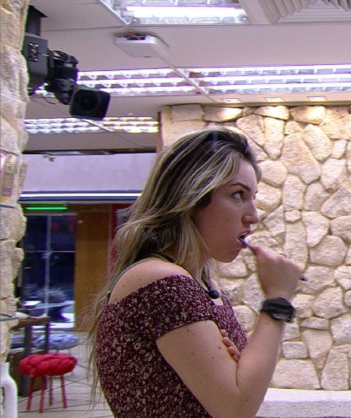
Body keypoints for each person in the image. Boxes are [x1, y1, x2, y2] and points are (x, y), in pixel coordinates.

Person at [87, 128, 303, 417]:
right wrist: (278, 301)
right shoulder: (162, 282)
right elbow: (237, 408)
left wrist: (240, 369)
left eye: (253, 197)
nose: (253, 216)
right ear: (191, 198)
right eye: (238, 195)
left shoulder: (199, 286)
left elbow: (242, 382)